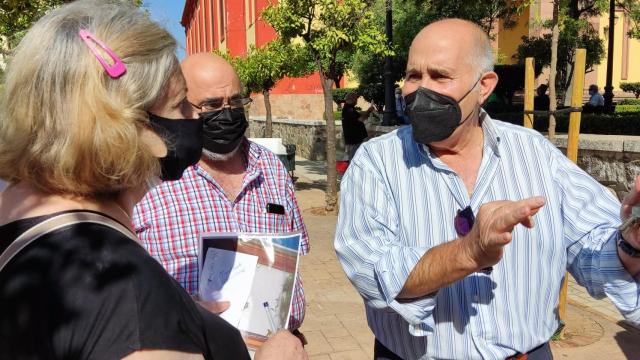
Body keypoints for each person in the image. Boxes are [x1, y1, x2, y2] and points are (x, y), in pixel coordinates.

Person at [0, 1, 306, 359]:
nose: (194, 120)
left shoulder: (26, 222)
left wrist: (187, 318)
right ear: (122, 122)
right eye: (181, 106)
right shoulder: (124, 290)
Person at [335, 18, 640, 360]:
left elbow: (593, 250)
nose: (419, 90)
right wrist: (468, 252)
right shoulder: (377, 162)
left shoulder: (536, 154)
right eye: (413, 75)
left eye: (439, 76)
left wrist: (631, 241)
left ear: (484, 85)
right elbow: (372, 270)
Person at [133, 53, 310, 340]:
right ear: (181, 108)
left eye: (236, 102)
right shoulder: (149, 180)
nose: (227, 114)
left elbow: (297, 253)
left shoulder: (271, 167)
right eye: (212, 105)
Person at [341, 92, 373, 160]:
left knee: (354, 158)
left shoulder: (350, 109)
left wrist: (367, 112)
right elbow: (361, 119)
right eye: (355, 99)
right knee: (353, 158)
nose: (356, 100)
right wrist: (369, 111)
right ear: (351, 99)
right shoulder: (349, 109)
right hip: (354, 140)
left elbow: (359, 115)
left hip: (355, 139)